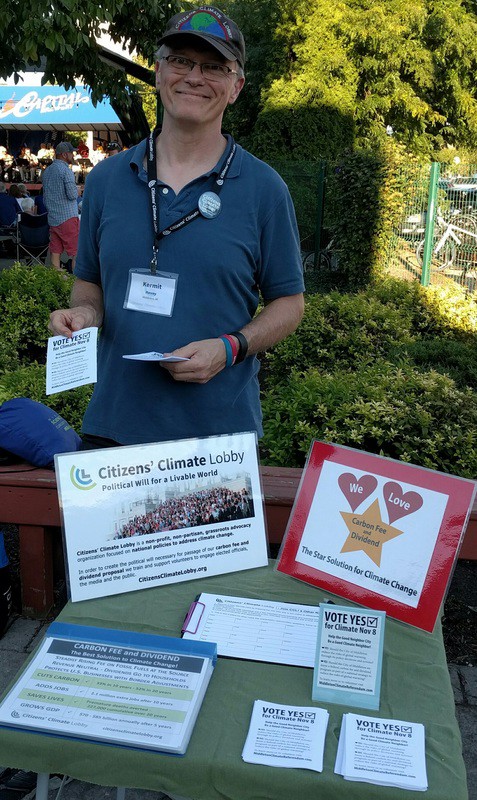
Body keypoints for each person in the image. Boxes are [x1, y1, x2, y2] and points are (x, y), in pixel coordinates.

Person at [49, 5, 304, 449]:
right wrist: (86, 315)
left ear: (236, 86)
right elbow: (89, 283)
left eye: (214, 67)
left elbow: (290, 303)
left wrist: (230, 348)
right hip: (114, 429)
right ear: (159, 70)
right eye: (181, 61)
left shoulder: (265, 189)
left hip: (217, 443)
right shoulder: (108, 180)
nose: (194, 77)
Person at [42, 142, 80, 273]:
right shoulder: (66, 171)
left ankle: (57, 280)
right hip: (68, 217)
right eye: (71, 153)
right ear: (64, 154)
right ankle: (76, 281)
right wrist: (78, 191)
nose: (73, 155)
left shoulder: (47, 171)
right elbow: (72, 195)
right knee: (76, 252)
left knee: (55, 251)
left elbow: (45, 195)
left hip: (53, 217)